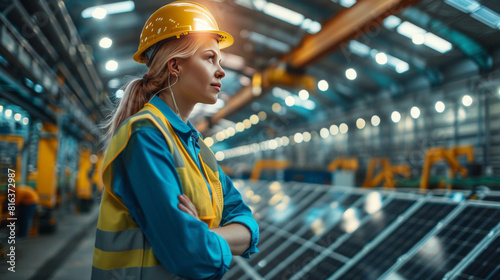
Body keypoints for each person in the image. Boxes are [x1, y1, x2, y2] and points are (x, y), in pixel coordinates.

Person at [91, 1, 259, 280]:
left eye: (220, 61)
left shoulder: (196, 145)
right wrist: (208, 238)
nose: (221, 71)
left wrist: (204, 235)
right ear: (175, 66)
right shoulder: (145, 136)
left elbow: (248, 224)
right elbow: (188, 253)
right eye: (209, 58)